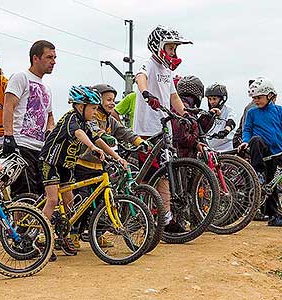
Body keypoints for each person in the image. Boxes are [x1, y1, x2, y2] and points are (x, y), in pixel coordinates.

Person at [40, 85, 126, 256]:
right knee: (52, 200)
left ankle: (62, 235)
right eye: (93, 108)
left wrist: (117, 157)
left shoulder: (86, 123)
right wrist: (92, 147)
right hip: (51, 162)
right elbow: (79, 134)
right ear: (81, 106)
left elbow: (98, 139)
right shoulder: (71, 118)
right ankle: (41, 237)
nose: (95, 112)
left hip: (66, 165)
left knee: (70, 202)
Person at [134, 25, 193, 228]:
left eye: (175, 49)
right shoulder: (149, 64)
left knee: (165, 174)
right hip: (146, 130)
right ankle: (138, 214)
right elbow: (140, 77)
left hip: (162, 129)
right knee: (148, 175)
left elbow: (173, 96)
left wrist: (185, 115)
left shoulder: (167, 70)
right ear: (158, 46)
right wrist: (145, 93)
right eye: (170, 48)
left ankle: (166, 218)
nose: (173, 52)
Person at [72, 83, 144, 248]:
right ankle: (73, 233)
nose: (112, 103)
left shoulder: (111, 120)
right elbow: (96, 132)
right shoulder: (91, 117)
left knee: (103, 201)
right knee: (82, 201)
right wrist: (107, 138)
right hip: (82, 165)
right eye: (108, 100)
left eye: (113, 100)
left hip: (100, 167)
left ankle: (97, 234)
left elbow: (125, 132)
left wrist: (139, 141)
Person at [238, 77, 282, 227]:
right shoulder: (252, 112)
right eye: (253, 98)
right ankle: (258, 173)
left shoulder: (279, 111)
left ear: (270, 96)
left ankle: (273, 217)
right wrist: (245, 141)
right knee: (256, 139)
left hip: (277, 153)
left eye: (259, 97)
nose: (256, 100)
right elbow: (247, 129)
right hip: (261, 152)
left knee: (271, 186)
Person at [3, 40, 56, 196]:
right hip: (21, 144)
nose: (53, 62)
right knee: (24, 193)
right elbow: (8, 106)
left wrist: (49, 130)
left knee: (40, 195)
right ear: (35, 58)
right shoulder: (21, 77)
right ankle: (18, 221)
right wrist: (8, 136)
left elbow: (50, 115)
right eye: (49, 57)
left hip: (40, 148)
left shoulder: (47, 88)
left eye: (54, 57)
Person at [204, 84, 236, 151]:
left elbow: (231, 122)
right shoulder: (207, 112)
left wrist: (226, 131)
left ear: (222, 99)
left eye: (214, 99)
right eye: (210, 99)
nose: (212, 102)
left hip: (226, 147)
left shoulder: (228, 110)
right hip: (210, 148)